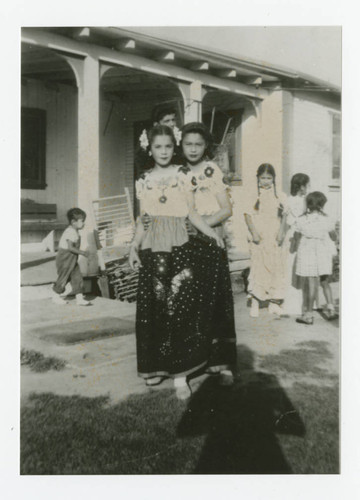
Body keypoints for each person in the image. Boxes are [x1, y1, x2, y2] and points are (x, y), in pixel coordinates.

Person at [129, 124, 224, 400]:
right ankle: (157, 367)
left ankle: (181, 375)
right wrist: (133, 247)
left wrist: (211, 234)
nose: (163, 152)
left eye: (168, 146)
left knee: (180, 308)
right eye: (158, 147)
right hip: (151, 249)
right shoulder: (144, 179)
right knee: (154, 308)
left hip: (179, 247)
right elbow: (142, 220)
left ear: (175, 147)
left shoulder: (183, 175)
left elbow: (192, 213)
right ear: (149, 148)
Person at [180, 121, 237, 382]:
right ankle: (192, 363)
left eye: (198, 144)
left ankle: (221, 363)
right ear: (181, 145)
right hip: (184, 243)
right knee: (189, 303)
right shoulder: (177, 172)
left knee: (217, 304)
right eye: (188, 144)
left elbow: (226, 209)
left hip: (210, 241)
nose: (193, 149)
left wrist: (202, 226)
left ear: (206, 147)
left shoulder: (212, 170)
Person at [244, 163, 287, 318]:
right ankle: (256, 301)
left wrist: (281, 233)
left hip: (274, 235)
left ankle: (273, 303)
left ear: (274, 179)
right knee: (259, 266)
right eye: (263, 178)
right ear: (258, 178)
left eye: (269, 178)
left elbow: (284, 216)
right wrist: (254, 233)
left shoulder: (279, 195)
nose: (266, 181)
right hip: (259, 236)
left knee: (275, 267)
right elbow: (247, 216)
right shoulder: (253, 195)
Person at [294, 191, 338, 324]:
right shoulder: (327, 219)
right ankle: (331, 310)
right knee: (325, 282)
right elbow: (333, 236)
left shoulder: (301, 219)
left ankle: (308, 315)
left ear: (307, 204)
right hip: (323, 251)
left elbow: (296, 237)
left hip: (308, 251)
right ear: (322, 204)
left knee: (311, 284)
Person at [282, 173, 310, 315]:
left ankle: (300, 304)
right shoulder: (301, 201)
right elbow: (289, 221)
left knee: (295, 268)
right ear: (301, 186)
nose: (308, 188)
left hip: (296, 234)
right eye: (307, 185)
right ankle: (298, 304)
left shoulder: (291, 200)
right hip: (296, 236)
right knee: (295, 268)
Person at [52, 208, 90, 306]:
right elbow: (70, 248)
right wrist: (82, 252)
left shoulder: (75, 231)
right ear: (73, 222)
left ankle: (79, 298)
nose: (84, 223)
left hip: (72, 259)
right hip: (65, 259)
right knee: (63, 277)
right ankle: (56, 296)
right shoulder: (70, 232)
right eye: (82, 221)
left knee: (77, 277)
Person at [135, 103, 182, 173]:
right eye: (167, 121)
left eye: (173, 120)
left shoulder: (179, 137)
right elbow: (141, 163)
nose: (172, 124)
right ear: (156, 124)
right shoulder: (148, 139)